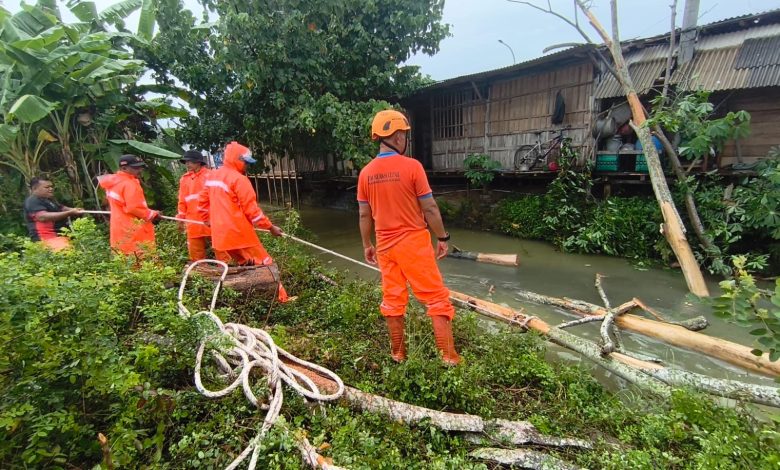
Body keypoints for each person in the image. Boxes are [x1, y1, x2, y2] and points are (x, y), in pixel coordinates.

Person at [357, 109, 460, 365]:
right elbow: (430, 208)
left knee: (393, 298)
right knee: (436, 298)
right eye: (403, 134)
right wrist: (443, 237)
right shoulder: (412, 167)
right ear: (397, 135)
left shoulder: (365, 173)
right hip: (413, 243)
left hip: (384, 246)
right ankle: (448, 356)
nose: (404, 138)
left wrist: (367, 244)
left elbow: (364, 216)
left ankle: (398, 353)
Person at [198, 141, 289, 302]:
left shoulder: (212, 176)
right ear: (237, 160)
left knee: (246, 265)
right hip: (240, 234)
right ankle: (281, 299)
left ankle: (255, 298)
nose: (247, 166)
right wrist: (270, 227)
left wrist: (207, 221)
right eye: (245, 162)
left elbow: (202, 204)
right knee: (266, 264)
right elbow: (253, 212)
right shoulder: (239, 180)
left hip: (221, 236)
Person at [98, 154, 160, 257]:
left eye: (140, 167)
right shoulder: (129, 184)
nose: (139, 170)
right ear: (124, 168)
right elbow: (134, 207)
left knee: (124, 260)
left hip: (119, 228)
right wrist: (153, 214)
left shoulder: (113, 183)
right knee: (142, 261)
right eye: (135, 168)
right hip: (134, 230)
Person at [176, 150, 227, 262]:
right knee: (195, 249)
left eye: (190, 162)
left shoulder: (211, 175)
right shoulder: (184, 179)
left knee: (221, 247)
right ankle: (200, 272)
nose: (187, 164)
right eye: (186, 162)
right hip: (193, 219)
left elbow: (219, 198)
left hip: (211, 218)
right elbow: (182, 200)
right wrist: (180, 217)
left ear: (198, 162)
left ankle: (227, 269)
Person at [24, 177, 83, 251]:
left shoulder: (49, 199)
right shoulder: (32, 201)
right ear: (34, 189)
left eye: (51, 186)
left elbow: (61, 208)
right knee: (67, 256)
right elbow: (42, 217)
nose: (51, 189)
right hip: (47, 238)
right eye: (47, 187)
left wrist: (75, 210)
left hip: (60, 236)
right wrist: (69, 213)